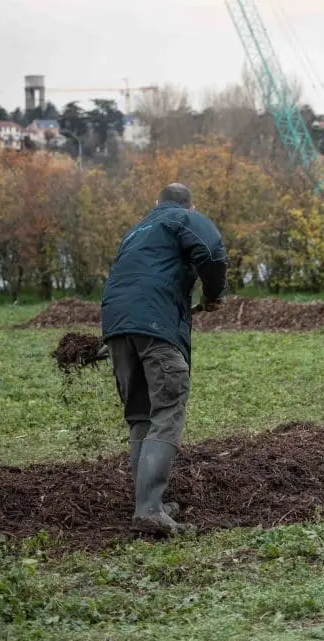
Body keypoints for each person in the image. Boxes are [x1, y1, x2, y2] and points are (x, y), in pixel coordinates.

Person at [100, 183, 228, 534]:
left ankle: (146, 502)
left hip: (116, 325)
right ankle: (149, 509)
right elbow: (212, 252)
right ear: (189, 206)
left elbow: (130, 279)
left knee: (141, 416)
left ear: (155, 203)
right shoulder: (182, 219)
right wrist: (215, 295)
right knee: (168, 408)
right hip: (155, 325)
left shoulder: (136, 231)